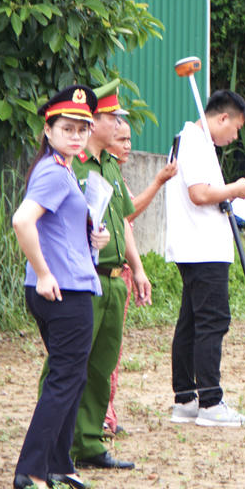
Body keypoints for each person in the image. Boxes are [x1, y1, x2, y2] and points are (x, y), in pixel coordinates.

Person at [10, 85, 110, 489]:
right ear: (47, 129)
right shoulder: (53, 171)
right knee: (65, 379)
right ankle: (31, 472)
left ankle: (58, 463)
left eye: (82, 128)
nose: (76, 135)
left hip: (66, 286)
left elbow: (56, 229)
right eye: (66, 127)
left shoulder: (62, 168)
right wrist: (44, 271)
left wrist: (93, 240)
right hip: (63, 292)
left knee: (71, 377)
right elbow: (21, 221)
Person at [48, 86, 150, 471]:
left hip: (111, 279)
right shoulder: (72, 165)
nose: (120, 125)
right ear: (96, 123)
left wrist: (136, 269)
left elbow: (123, 221)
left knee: (100, 366)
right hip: (81, 278)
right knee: (67, 364)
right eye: (114, 118)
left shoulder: (109, 166)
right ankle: (53, 445)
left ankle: (87, 442)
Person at [165, 90, 245, 427]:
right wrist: (235, 188)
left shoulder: (191, 140)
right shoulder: (194, 141)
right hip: (203, 247)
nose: (234, 136)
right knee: (212, 322)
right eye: (235, 128)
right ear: (223, 118)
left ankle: (186, 398)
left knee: (191, 322)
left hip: (197, 245)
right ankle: (210, 402)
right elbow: (200, 193)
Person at [100, 119, 176, 436]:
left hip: (121, 272)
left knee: (111, 352)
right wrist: (158, 181)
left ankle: (106, 413)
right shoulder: (94, 172)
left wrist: (139, 269)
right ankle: (98, 417)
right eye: (121, 139)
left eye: (130, 139)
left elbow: (124, 226)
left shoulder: (115, 174)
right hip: (97, 275)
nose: (128, 145)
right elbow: (129, 213)